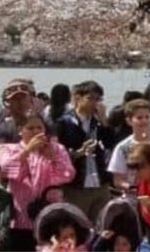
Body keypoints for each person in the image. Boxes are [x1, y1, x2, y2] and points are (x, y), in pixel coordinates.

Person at [0, 113, 75, 251]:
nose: (36, 131)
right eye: (30, 128)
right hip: (20, 219)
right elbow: (6, 169)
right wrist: (27, 151)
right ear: (20, 130)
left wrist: (53, 158)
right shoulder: (9, 149)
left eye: (39, 127)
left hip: (50, 217)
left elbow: (68, 175)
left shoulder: (57, 149)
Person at [55, 81, 112, 221]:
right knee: (78, 224)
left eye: (98, 99)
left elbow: (111, 144)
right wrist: (79, 152)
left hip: (100, 184)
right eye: (91, 98)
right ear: (78, 98)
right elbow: (57, 155)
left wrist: (104, 121)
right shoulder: (64, 123)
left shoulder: (98, 123)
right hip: (76, 186)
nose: (95, 103)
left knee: (102, 224)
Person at [0, 79, 37, 146]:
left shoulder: (40, 125)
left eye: (23, 98)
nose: (20, 102)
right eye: (15, 99)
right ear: (8, 103)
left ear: (30, 100)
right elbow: (0, 151)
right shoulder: (3, 128)